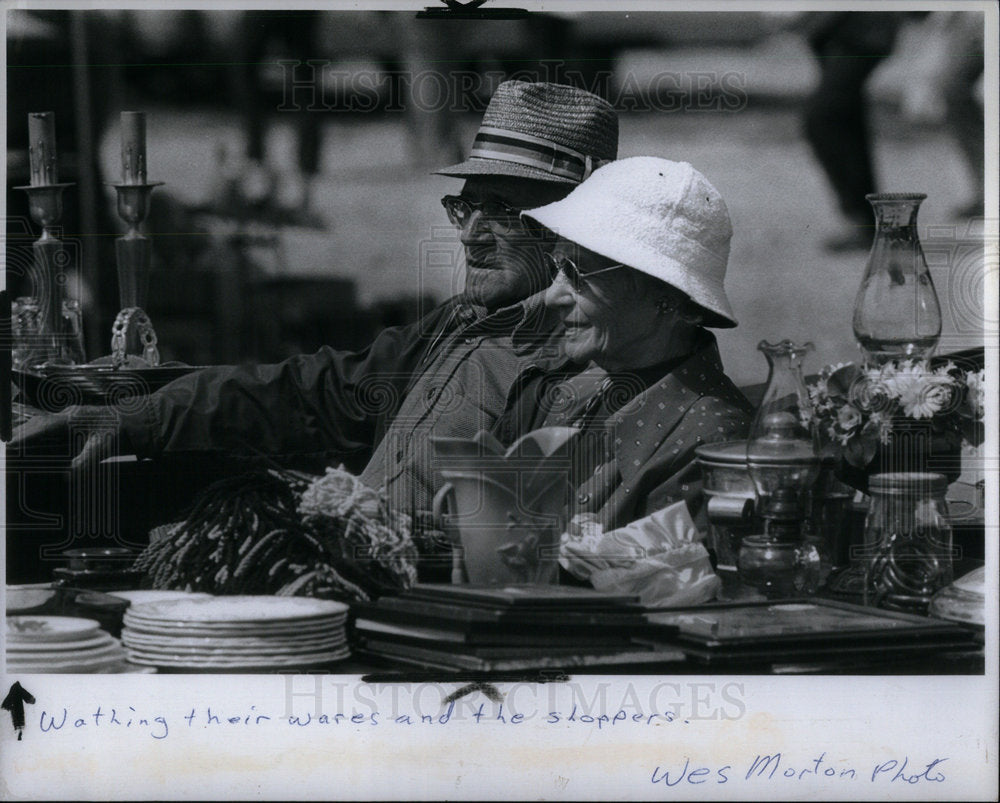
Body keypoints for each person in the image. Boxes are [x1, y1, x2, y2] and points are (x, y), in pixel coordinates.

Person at [10, 80, 618, 535]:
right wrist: (140, 416)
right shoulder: (458, 324)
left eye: (503, 211)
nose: (471, 234)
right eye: (465, 207)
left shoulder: (592, 362)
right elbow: (313, 391)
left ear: (572, 225)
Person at [491, 157, 754, 532]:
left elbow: (655, 584)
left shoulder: (712, 442)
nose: (553, 296)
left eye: (579, 273)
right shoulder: (571, 388)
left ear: (670, 297)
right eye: (557, 267)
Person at [800, 12, 908, 252]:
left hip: (862, 29)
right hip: (848, 32)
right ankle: (868, 221)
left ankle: (863, 221)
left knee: (823, 119)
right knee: (844, 119)